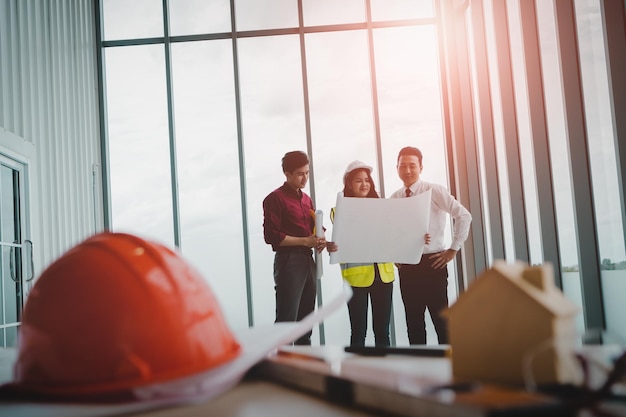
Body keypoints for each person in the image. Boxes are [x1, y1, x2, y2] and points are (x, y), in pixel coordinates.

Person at [390, 146, 471, 345]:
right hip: (408, 266)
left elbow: (463, 215)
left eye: (412, 166)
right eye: (403, 166)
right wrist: (395, 255)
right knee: (414, 323)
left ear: (420, 167)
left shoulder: (433, 191)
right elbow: (390, 232)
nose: (407, 171)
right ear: (397, 168)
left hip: (433, 263)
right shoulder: (395, 198)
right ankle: (420, 372)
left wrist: (453, 249)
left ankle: (449, 369)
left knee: (441, 321)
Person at [263, 150, 337, 345]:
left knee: (306, 322)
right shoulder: (275, 199)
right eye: (300, 174)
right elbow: (271, 236)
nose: (305, 178)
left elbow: (313, 230)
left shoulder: (306, 200)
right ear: (287, 174)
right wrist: (306, 241)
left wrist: (321, 241)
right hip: (289, 262)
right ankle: (281, 369)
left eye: (307, 172)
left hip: (308, 261)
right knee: (286, 322)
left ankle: (305, 367)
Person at [330, 161, 396, 347]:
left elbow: (393, 235)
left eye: (367, 180)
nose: (364, 184)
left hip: (383, 277)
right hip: (356, 279)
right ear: (349, 184)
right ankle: (355, 374)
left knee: (382, 332)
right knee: (358, 332)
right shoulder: (340, 211)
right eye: (358, 181)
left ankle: (383, 373)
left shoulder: (383, 209)